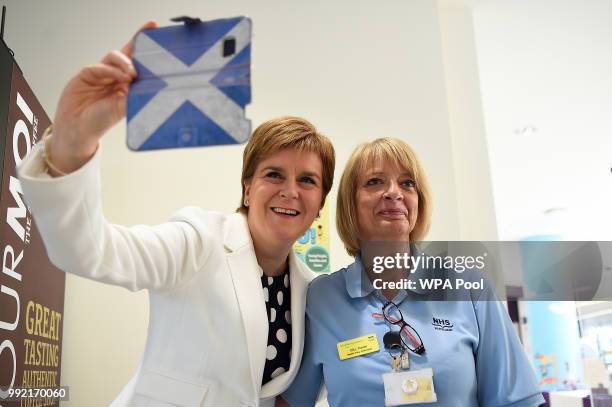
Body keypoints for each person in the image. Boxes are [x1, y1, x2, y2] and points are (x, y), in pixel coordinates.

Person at [17, 21, 335, 407]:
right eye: (274, 174)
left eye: (307, 180)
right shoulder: (197, 240)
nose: (290, 191)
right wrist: (73, 142)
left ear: (319, 201)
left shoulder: (311, 289)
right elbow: (90, 251)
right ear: (248, 188)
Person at [281, 138, 544, 406]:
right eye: (375, 181)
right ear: (350, 203)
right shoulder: (322, 298)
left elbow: (517, 401)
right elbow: (291, 402)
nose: (394, 192)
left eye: (407, 183)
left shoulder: (468, 286)